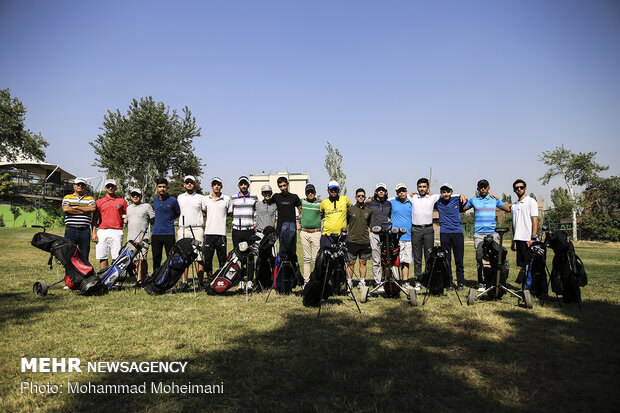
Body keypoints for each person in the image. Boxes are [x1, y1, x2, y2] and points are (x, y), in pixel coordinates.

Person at [462, 179, 511, 291]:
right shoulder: (473, 200)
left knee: (494, 257)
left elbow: (507, 209)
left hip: (493, 233)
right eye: (481, 187)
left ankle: (494, 281)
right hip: (479, 234)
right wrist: (462, 198)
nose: (483, 189)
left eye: (485, 187)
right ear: (478, 188)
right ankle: (482, 283)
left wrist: (499, 199)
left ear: (489, 188)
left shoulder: (494, 200)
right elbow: (461, 209)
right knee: (480, 258)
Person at [434, 183, 466, 291]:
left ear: (451, 192)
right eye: (443, 192)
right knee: (446, 261)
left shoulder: (457, 200)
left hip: (457, 233)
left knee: (459, 260)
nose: (446, 194)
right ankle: (449, 283)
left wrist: (462, 194)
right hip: (444, 233)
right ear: (441, 193)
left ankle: (461, 283)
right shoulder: (438, 202)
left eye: (448, 191)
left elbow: (467, 201)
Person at [176, 175, 205, 291]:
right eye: (187, 182)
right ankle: (184, 281)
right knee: (183, 256)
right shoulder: (179, 198)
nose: (189, 184)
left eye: (191, 182)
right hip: (183, 229)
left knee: (199, 256)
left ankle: (201, 282)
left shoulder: (201, 198)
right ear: (184, 184)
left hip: (197, 229)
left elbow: (204, 211)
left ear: (195, 184)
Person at [229, 175, 258, 291]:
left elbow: (256, 210)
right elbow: (231, 212)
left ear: (248, 185)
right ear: (238, 185)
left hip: (249, 230)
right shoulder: (233, 198)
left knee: (250, 256)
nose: (243, 186)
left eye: (245, 184)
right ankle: (241, 280)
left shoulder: (254, 197)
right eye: (241, 184)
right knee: (238, 256)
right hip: (237, 230)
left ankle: (250, 280)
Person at [92, 179, 128, 270]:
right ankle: (103, 278)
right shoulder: (99, 202)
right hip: (103, 231)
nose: (110, 188)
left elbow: (127, 214)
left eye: (112, 186)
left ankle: (115, 279)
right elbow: (95, 219)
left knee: (117, 257)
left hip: (117, 231)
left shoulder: (122, 201)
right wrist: (93, 233)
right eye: (108, 186)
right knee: (103, 256)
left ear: (115, 188)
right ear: (105, 188)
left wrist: (125, 218)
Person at [201, 177, 231, 281]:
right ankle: (210, 279)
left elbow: (230, 213)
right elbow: (204, 212)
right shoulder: (205, 199)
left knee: (222, 258)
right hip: (209, 232)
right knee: (208, 258)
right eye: (214, 184)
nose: (216, 186)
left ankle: (221, 278)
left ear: (221, 186)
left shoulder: (226, 199)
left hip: (221, 233)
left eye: (218, 184)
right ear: (211, 186)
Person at [125, 188, 155, 285]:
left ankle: (139, 280)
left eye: (137, 195)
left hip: (143, 238)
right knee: (134, 260)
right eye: (133, 195)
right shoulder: (128, 208)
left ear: (141, 196)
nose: (135, 196)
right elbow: (126, 220)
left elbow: (153, 218)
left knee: (141, 259)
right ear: (130, 197)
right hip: (131, 239)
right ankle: (144, 276)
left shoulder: (146, 206)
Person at [61, 177, 95, 261]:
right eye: (78, 184)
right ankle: (70, 273)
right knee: (69, 253)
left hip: (84, 231)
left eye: (82, 184)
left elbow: (92, 209)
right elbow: (65, 209)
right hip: (70, 229)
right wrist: (84, 210)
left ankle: (83, 273)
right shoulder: (67, 197)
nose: (80, 186)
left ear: (85, 187)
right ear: (74, 186)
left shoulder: (90, 198)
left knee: (84, 254)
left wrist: (74, 208)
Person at [151, 178, 180, 271]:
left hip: (169, 233)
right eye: (160, 187)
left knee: (171, 258)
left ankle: (169, 280)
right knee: (156, 259)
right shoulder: (154, 201)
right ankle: (156, 279)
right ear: (156, 188)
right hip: (156, 234)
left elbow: (177, 213)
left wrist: (168, 219)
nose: (162, 189)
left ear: (167, 188)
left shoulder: (173, 201)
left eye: (164, 187)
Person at [346, 188, 372, 290]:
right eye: (359, 196)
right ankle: (349, 283)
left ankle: (362, 282)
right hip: (352, 240)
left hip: (365, 241)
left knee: (363, 262)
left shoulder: (369, 211)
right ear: (356, 197)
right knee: (351, 263)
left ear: (365, 197)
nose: (361, 197)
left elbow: (369, 224)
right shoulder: (350, 209)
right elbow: (347, 222)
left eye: (362, 196)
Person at [366, 183, 392, 286]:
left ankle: (386, 279)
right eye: (379, 190)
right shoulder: (370, 204)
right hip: (374, 234)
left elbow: (390, 215)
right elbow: (365, 216)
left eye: (383, 190)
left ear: (386, 192)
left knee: (386, 258)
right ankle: (378, 282)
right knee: (376, 259)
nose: (381, 192)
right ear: (376, 192)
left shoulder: (389, 204)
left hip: (386, 234)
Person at [271, 176, 302, 260]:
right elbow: (269, 207)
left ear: (288, 184)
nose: (282, 188)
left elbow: (301, 210)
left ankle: (292, 270)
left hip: (292, 227)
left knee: (292, 251)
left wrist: (301, 223)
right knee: (283, 252)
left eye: (284, 185)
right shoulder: (276, 197)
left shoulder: (294, 197)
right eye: (280, 186)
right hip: (281, 228)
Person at [510, 179, 539, 268]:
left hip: (527, 239)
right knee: (522, 265)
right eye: (516, 188)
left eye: (521, 187)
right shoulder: (514, 206)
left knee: (531, 265)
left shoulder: (531, 201)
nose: (519, 189)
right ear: (514, 190)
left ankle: (531, 282)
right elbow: (514, 224)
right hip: (518, 239)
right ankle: (525, 282)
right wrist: (513, 240)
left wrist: (533, 238)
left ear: (525, 189)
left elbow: (535, 220)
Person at [390, 183, 413, 290]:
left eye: (403, 190)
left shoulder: (411, 202)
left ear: (406, 191)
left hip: (407, 237)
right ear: (396, 193)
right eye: (399, 191)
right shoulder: (392, 202)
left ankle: (405, 281)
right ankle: (394, 280)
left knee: (406, 261)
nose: (401, 192)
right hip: (394, 238)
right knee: (394, 261)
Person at [299, 183, 322, 284]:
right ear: (306, 193)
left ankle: (316, 281)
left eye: (312, 192)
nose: (310, 193)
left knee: (315, 259)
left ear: (315, 192)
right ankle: (306, 281)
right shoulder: (302, 201)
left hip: (316, 233)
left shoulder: (320, 204)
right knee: (306, 258)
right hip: (304, 233)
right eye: (308, 192)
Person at [319, 180, 352, 247]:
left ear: (338, 190)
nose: (333, 191)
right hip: (327, 235)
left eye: (335, 189)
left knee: (343, 256)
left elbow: (353, 211)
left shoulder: (345, 199)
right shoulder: (324, 202)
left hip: (342, 235)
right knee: (324, 256)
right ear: (328, 190)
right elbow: (320, 216)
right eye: (331, 189)